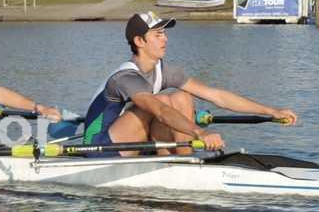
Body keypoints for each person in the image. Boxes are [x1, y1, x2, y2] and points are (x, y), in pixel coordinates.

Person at [82, 11, 297, 155]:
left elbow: (217, 96)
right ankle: (178, 161)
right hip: (100, 146)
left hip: (132, 139)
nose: (165, 39)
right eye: (158, 35)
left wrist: (271, 111)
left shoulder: (165, 71)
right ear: (139, 41)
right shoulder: (125, 78)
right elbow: (160, 111)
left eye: (164, 34)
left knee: (182, 97)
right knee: (162, 102)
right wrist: (200, 133)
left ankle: (181, 159)